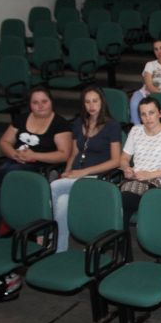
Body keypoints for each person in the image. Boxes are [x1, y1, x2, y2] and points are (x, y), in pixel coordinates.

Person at [0, 87, 72, 233]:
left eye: (44, 101)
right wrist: (14, 154)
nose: (40, 106)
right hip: (16, 161)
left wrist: (34, 156)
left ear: (51, 102)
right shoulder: (21, 119)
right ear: (30, 104)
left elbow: (64, 154)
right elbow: (4, 141)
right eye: (35, 102)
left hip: (40, 167)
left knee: (10, 173)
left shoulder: (60, 124)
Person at [51, 87, 121, 252]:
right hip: (75, 176)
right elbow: (74, 153)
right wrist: (67, 171)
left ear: (102, 102)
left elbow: (116, 161)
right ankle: (59, 249)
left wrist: (84, 172)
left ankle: (47, 233)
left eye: (95, 101)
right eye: (87, 102)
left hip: (98, 178)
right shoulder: (79, 123)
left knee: (54, 186)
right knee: (62, 203)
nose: (91, 105)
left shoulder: (112, 125)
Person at [119, 97, 161, 229]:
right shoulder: (135, 131)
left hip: (158, 184)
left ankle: (118, 239)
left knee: (119, 203)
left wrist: (150, 175)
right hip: (134, 181)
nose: (148, 118)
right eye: (143, 114)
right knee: (119, 205)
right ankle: (120, 238)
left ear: (160, 113)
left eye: (151, 113)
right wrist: (127, 168)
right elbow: (124, 158)